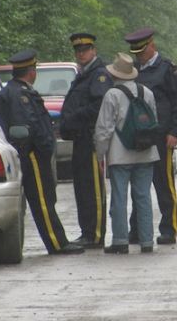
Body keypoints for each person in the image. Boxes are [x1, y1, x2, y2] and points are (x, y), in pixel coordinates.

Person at [0, 49, 84, 255]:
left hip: (33, 153)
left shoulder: (17, 91)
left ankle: (58, 240)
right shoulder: (20, 95)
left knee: (45, 198)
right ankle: (57, 243)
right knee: (43, 200)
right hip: (32, 155)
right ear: (31, 71)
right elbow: (28, 127)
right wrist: (44, 147)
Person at [124, 28, 177, 245]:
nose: (138, 56)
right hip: (137, 136)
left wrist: (174, 131)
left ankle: (168, 229)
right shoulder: (133, 71)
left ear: (152, 46)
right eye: (136, 53)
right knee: (138, 184)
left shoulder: (167, 70)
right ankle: (136, 230)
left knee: (163, 182)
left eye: (141, 52)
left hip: (162, 136)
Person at [94, 53, 160, 254]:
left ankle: (120, 241)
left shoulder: (112, 95)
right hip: (146, 152)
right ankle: (147, 241)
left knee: (119, 198)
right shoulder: (146, 92)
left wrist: (99, 155)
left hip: (119, 155)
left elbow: (104, 129)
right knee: (144, 197)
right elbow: (153, 120)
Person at [60, 33, 113, 249]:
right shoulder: (83, 74)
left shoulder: (98, 75)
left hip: (90, 139)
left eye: (85, 49)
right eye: (78, 50)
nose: (81, 53)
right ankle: (87, 231)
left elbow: (100, 106)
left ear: (94, 50)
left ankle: (96, 234)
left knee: (92, 189)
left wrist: (74, 118)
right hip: (79, 139)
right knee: (82, 188)